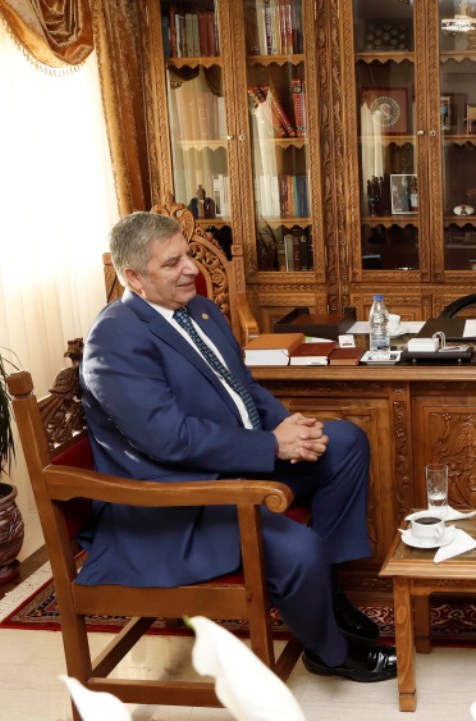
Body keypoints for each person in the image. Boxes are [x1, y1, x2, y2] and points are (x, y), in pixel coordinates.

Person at [78, 212, 397, 682]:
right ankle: (328, 651)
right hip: (178, 499)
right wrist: (271, 446)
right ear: (134, 278)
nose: (191, 269)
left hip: (232, 466)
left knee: (345, 440)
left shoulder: (201, 311)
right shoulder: (115, 338)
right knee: (299, 548)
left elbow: (242, 386)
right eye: (172, 263)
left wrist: (287, 425)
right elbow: (168, 438)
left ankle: (325, 593)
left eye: (187, 254)